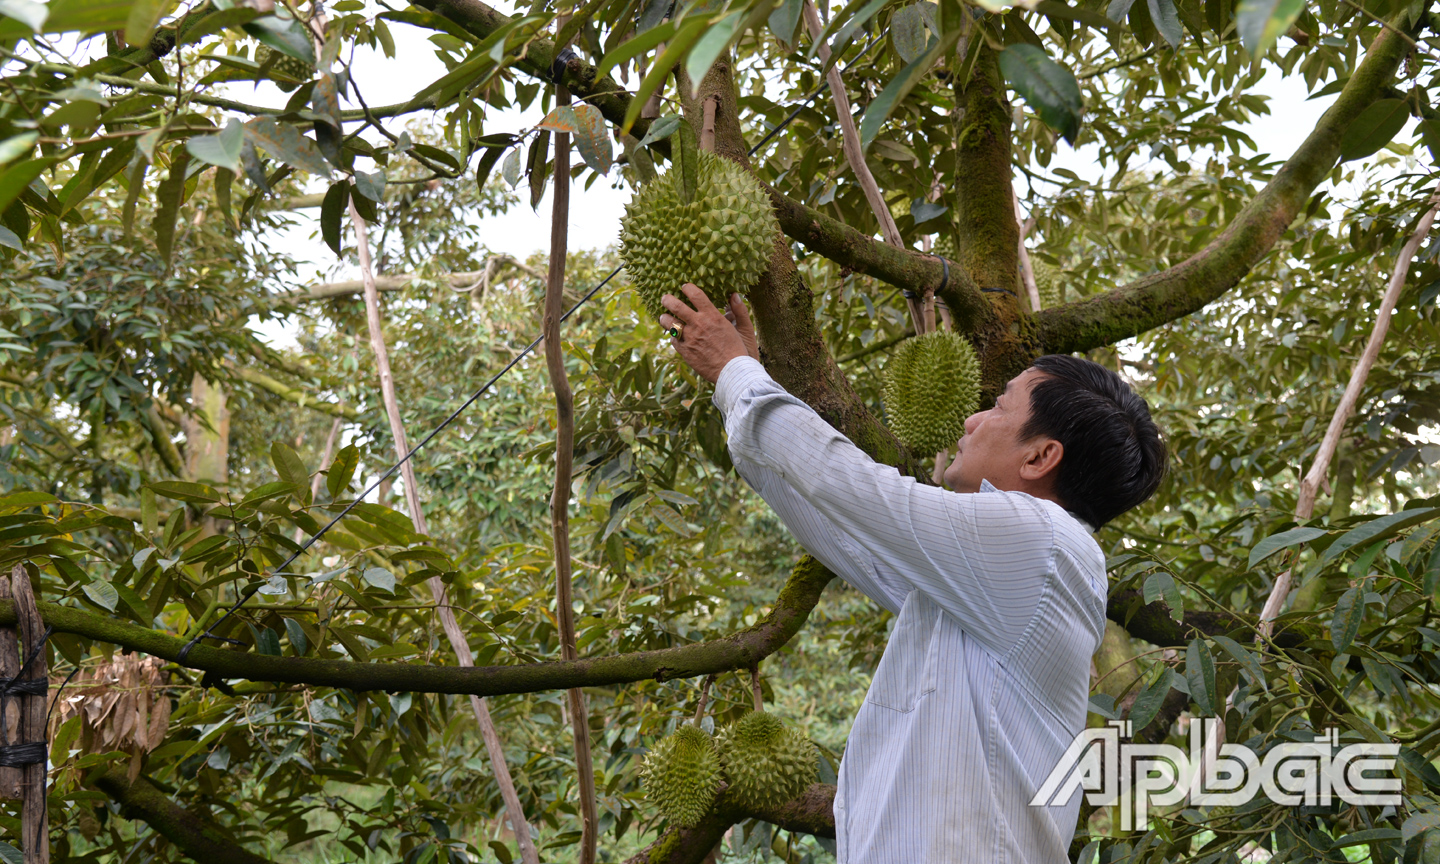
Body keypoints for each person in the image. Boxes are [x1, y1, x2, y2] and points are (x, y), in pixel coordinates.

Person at [657, 284, 1166, 863]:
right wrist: (739, 388)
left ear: (1039, 457)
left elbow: (855, 486)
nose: (973, 419)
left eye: (999, 407)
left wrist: (740, 374)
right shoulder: (988, 581)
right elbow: (839, 526)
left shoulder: (1043, 544)